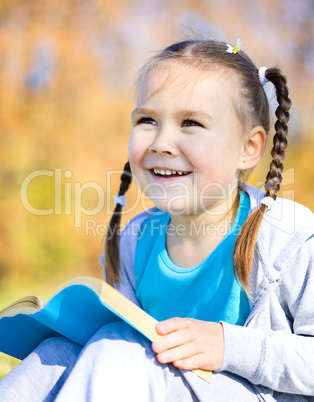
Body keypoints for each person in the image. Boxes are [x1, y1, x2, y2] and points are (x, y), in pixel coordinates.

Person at [0, 38, 314, 401]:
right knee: (58, 354)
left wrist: (228, 345)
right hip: (155, 382)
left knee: (116, 350)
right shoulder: (135, 239)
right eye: (148, 120)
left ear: (248, 149)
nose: (161, 142)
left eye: (191, 123)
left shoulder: (288, 238)